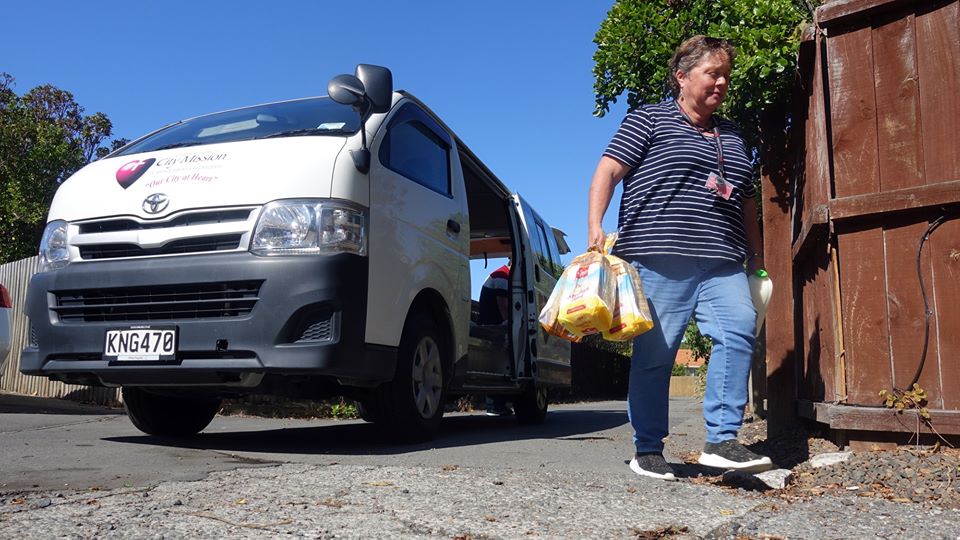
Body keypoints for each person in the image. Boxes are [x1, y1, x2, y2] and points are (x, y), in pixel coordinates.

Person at [586, 36, 773, 481]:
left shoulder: (733, 135)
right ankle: (648, 448)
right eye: (713, 73)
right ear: (682, 77)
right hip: (659, 253)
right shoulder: (648, 120)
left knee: (738, 331)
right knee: (657, 354)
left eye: (726, 74)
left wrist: (756, 251)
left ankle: (722, 440)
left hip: (723, 258)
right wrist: (595, 226)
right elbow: (608, 170)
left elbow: (745, 199)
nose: (722, 82)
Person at [477, 261, 513, 415]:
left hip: (490, 323)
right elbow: (503, 304)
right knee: (503, 357)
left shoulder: (501, 274)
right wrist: (508, 325)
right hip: (492, 326)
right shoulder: (502, 275)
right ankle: (495, 403)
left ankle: (497, 402)